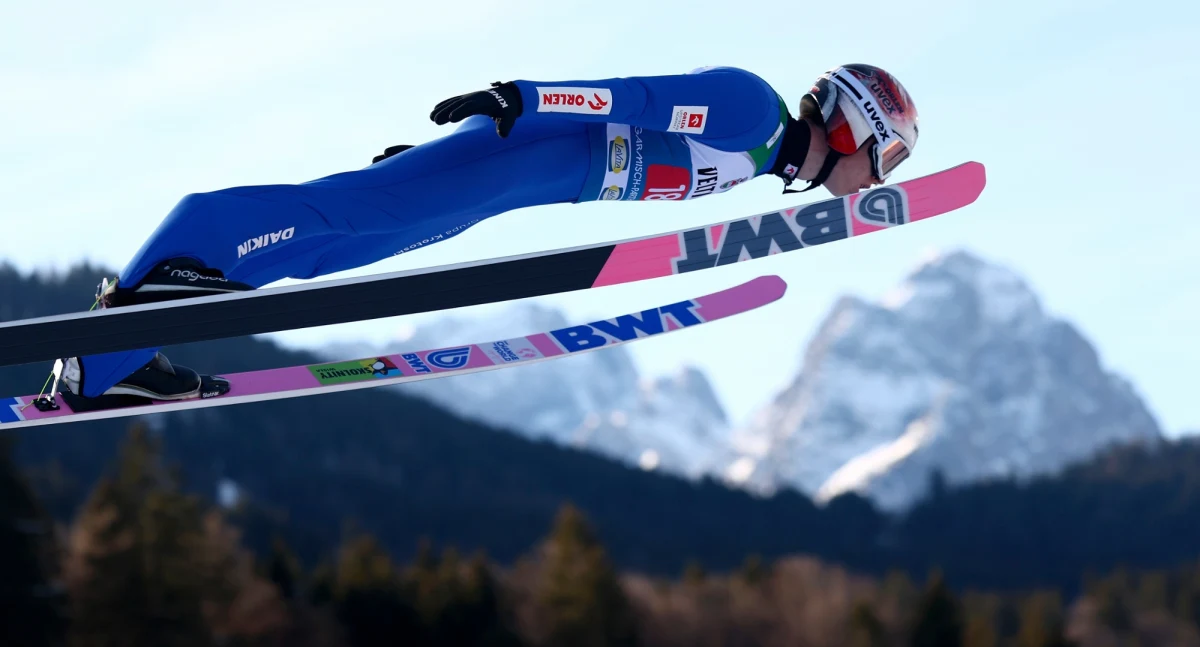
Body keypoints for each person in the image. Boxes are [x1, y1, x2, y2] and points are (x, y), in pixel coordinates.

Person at [57, 63, 919, 409]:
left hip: (503, 184)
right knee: (328, 224)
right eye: (882, 160)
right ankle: (105, 345)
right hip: (510, 158)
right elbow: (638, 99)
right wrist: (522, 98)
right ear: (854, 128)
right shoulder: (751, 111)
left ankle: (129, 347)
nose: (876, 182)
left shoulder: (760, 153)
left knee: (336, 242)